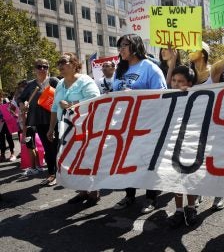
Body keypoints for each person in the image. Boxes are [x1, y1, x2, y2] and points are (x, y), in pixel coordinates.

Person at [112, 34, 167, 214]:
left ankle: (151, 197)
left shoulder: (151, 68)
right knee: (127, 160)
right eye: (119, 46)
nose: (120, 50)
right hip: (125, 124)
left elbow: (162, 97)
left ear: (135, 46)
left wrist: (135, 94)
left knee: (147, 162)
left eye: (124, 45)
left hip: (147, 124)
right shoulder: (119, 69)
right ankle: (129, 195)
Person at [47, 53, 101, 206]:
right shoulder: (60, 84)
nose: (60, 65)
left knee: (87, 159)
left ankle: (94, 191)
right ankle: (82, 191)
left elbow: (95, 101)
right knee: (74, 160)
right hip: (65, 129)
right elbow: (54, 107)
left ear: (74, 64)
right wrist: (51, 128)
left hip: (84, 127)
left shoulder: (85, 81)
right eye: (59, 62)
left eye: (64, 61)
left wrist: (73, 103)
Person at [188, 41, 224, 210]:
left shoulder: (213, 70)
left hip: (214, 122)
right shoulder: (188, 74)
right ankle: (198, 191)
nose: (189, 51)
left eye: (193, 48)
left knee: (216, 159)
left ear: (203, 53)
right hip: (195, 124)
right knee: (197, 160)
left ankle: (220, 194)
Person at [166, 65, 199, 228]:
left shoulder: (197, 97)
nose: (176, 84)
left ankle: (191, 207)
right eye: (174, 80)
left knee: (189, 176)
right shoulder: (167, 96)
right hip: (173, 142)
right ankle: (179, 210)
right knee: (175, 177)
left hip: (190, 142)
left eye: (181, 81)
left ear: (190, 83)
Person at [18, 59, 59, 183]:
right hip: (39, 120)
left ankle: (59, 172)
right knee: (48, 147)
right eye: (39, 66)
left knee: (56, 146)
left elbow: (64, 95)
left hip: (55, 119)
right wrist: (22, 105)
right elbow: (21, 99)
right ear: (34, 69)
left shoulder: (54, 81)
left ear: (48, 68)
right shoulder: (31, 84)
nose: (42, 69)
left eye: (45, 66)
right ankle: (52, 173)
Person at [0, 90, 16, 162]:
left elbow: (12, 110)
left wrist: (10, 107)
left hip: (7, 123)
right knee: (1, 139)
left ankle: (12, 153)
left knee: (9, 137)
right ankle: (2, 154)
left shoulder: (5, 100)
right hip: (0, 124)